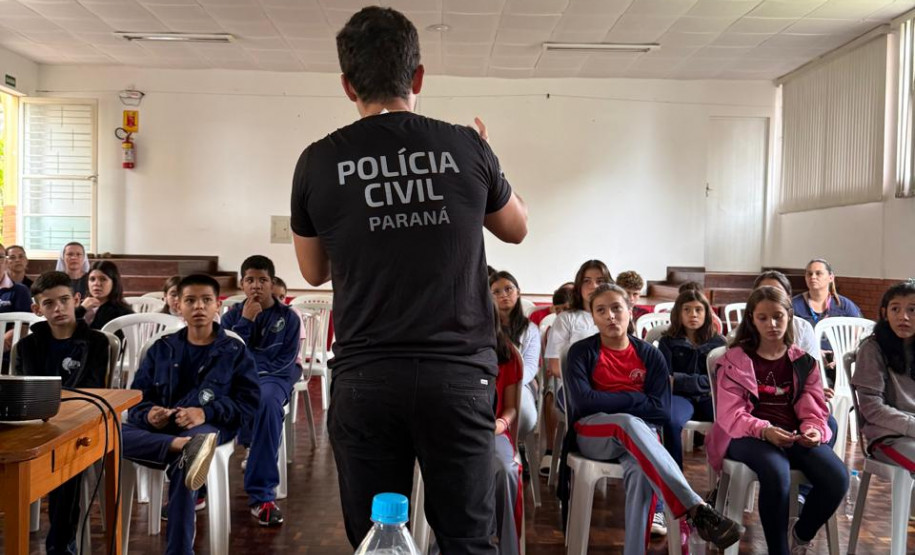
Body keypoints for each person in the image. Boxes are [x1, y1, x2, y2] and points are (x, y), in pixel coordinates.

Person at [289, 7, 527, 551]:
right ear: (418, 76)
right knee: (468, 540)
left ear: (348, 85)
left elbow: (313, 270)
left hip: (367, 377)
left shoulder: (318, 160)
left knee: (378, 541)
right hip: (458, 379)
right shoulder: (466, 146)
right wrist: (489, 159)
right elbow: (517, 228)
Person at [561, 283, 744, 554]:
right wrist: (635, 399)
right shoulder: (581, 352)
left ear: (630, 311)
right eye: (601, 310)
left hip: (639, 437)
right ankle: (696, 507)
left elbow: (660, 411)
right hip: (593, 434)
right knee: (627, 422)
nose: (610, 316)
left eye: (616, 308)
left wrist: (614, 400)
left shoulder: (649, 355)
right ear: (593, 317)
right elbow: (584, 402)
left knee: (639, 469)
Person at [122, 274, 260, 555]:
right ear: (178, 306)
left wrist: (205, 412)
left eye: (206, 300)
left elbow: (248, 405)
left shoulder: (234, 351)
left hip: (208, 427)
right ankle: (177, 445)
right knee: (106, 432)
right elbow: (136, 399)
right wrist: (149, 415)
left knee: (190, 458)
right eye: (190, 300)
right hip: (163, 429)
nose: (199, 306)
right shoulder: (161, 349)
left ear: (217, 306)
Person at [706, 286, 848, 555]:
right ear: (752, 319)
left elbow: (814, 409)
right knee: (776, 470)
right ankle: (778, 550)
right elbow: (730, 414)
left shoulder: (803, 362)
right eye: (763, 318)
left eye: (778, 316)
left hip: (791, 433)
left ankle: (801, 534)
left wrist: (813, 430)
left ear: (789, 316)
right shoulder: (735, 360)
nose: (771, 324)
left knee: (837, 478)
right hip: (745, 435)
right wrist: (765, 430)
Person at [17, 271, 111, 555]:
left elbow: (93, 389)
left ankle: (60, 544)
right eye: (49, 303)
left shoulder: (97, 342)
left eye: (64, 300)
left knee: (65, 458)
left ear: (77, 299)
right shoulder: (28, 346)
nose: (58, 308)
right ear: (37, 309)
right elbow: (28, 391)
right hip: (38, 424)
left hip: (81, 423)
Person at [221, 255, 301, 526]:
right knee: (204, 401)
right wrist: (246, 322)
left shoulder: (288, 317)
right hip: (239, 378)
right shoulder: (232, 317)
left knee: (266, 402)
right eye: (250, 280)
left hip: (275, 378)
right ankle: (197, 490)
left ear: (272, 283)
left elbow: (285, 361)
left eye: (262, 280)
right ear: (242, 284)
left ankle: (262, 496)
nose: (256, 285)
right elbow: (227, 357)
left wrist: (251, 372)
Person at [541, 261, 610, 477]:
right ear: (579, 286)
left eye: (599, 281)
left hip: (610, 386)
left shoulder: (615, 316)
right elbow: (555, 366)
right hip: (573, 387)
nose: (593, 286)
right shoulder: (567, 319)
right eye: (587, 281)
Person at [851, 280, 915, 471]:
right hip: (888, 436)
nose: (903, 316)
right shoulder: (872, 349)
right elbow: (871, 408)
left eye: (912, 310)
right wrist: (911, 426)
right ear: (885, 313)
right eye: (895, 309)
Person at [657, 290, 726, 466]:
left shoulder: (719, 343)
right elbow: (665, 380)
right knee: (671, 421)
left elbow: (718, 381)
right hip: (679, 398)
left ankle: (723, 475)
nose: (693, 314)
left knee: (730, 418)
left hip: (708, 398)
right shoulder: (667, 341)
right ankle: (673, 475)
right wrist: (701, 382)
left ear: (707, 313)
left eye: (698, 309)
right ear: (678, 313)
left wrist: (679, 380)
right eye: (686, 309)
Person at [792, 258, 863, 384]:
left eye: (818, 273)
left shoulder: (844, 305)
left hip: (839, 361)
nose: (813, 277)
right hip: (807, 361)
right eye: (809, 274)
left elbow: (859, 337)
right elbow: (788, 340)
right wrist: (814, 353)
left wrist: (842, 355)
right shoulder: (794, 305)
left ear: (831, 277)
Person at [490, 271, 540, 437]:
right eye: (496, 292)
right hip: (491, 380)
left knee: (525, 415)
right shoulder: (484, 327)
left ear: (518, 292)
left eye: (508, 289)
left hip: (520, 382)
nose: (503, 295)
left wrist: (510, 382)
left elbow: (531, 366)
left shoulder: (530, 329)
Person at [492, 307, 522, 555]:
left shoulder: (506, 352)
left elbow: (511, 407)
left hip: (494, 431)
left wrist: (500, 424)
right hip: (455, 433)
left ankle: (507, 548)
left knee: (506, 471)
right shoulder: (448, 348)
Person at [75, 261, 133, 330]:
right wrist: (81, 309)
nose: (96, 283)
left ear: (114, 283)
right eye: (92, 279)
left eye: (103, 279)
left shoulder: (122, 312)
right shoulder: (83, 305)